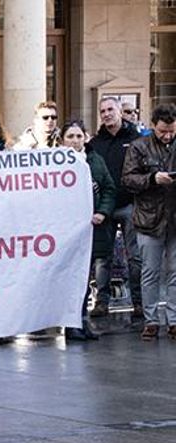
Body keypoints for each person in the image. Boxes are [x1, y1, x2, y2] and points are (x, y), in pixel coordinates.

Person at [121, 103, 176, 341]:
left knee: (175, 273)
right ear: (153, 126)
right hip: (149, 217)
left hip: (174, 216)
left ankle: (173, 320)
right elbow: (128, 179)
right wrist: (153, 178)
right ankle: (151, 319)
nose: (168, 135)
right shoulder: (139, 146)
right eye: (163, 130)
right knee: (150, 271)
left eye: (172, 130)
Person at [60, 120, 116, 341]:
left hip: (90, 229)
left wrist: (102, 211)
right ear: (62, 140)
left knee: (83, 277)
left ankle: (80, 322)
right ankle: (68, 323)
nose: (75, 141)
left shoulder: (95, 160)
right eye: (70, 137)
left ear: (85, 138)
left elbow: (109, 188)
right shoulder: (53, 162)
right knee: (68, 279)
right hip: (64, 231)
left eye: (78, 136)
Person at [89, 96, 143, 318]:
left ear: (120, 111)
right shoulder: (94, 143)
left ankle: (138, 301)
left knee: (135, 257)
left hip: (130, 204)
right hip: (104, 208)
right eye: (102, 111)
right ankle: (101, 302)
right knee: (103, 257)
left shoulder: (137, 139)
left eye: (110, 109)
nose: (106, 114)